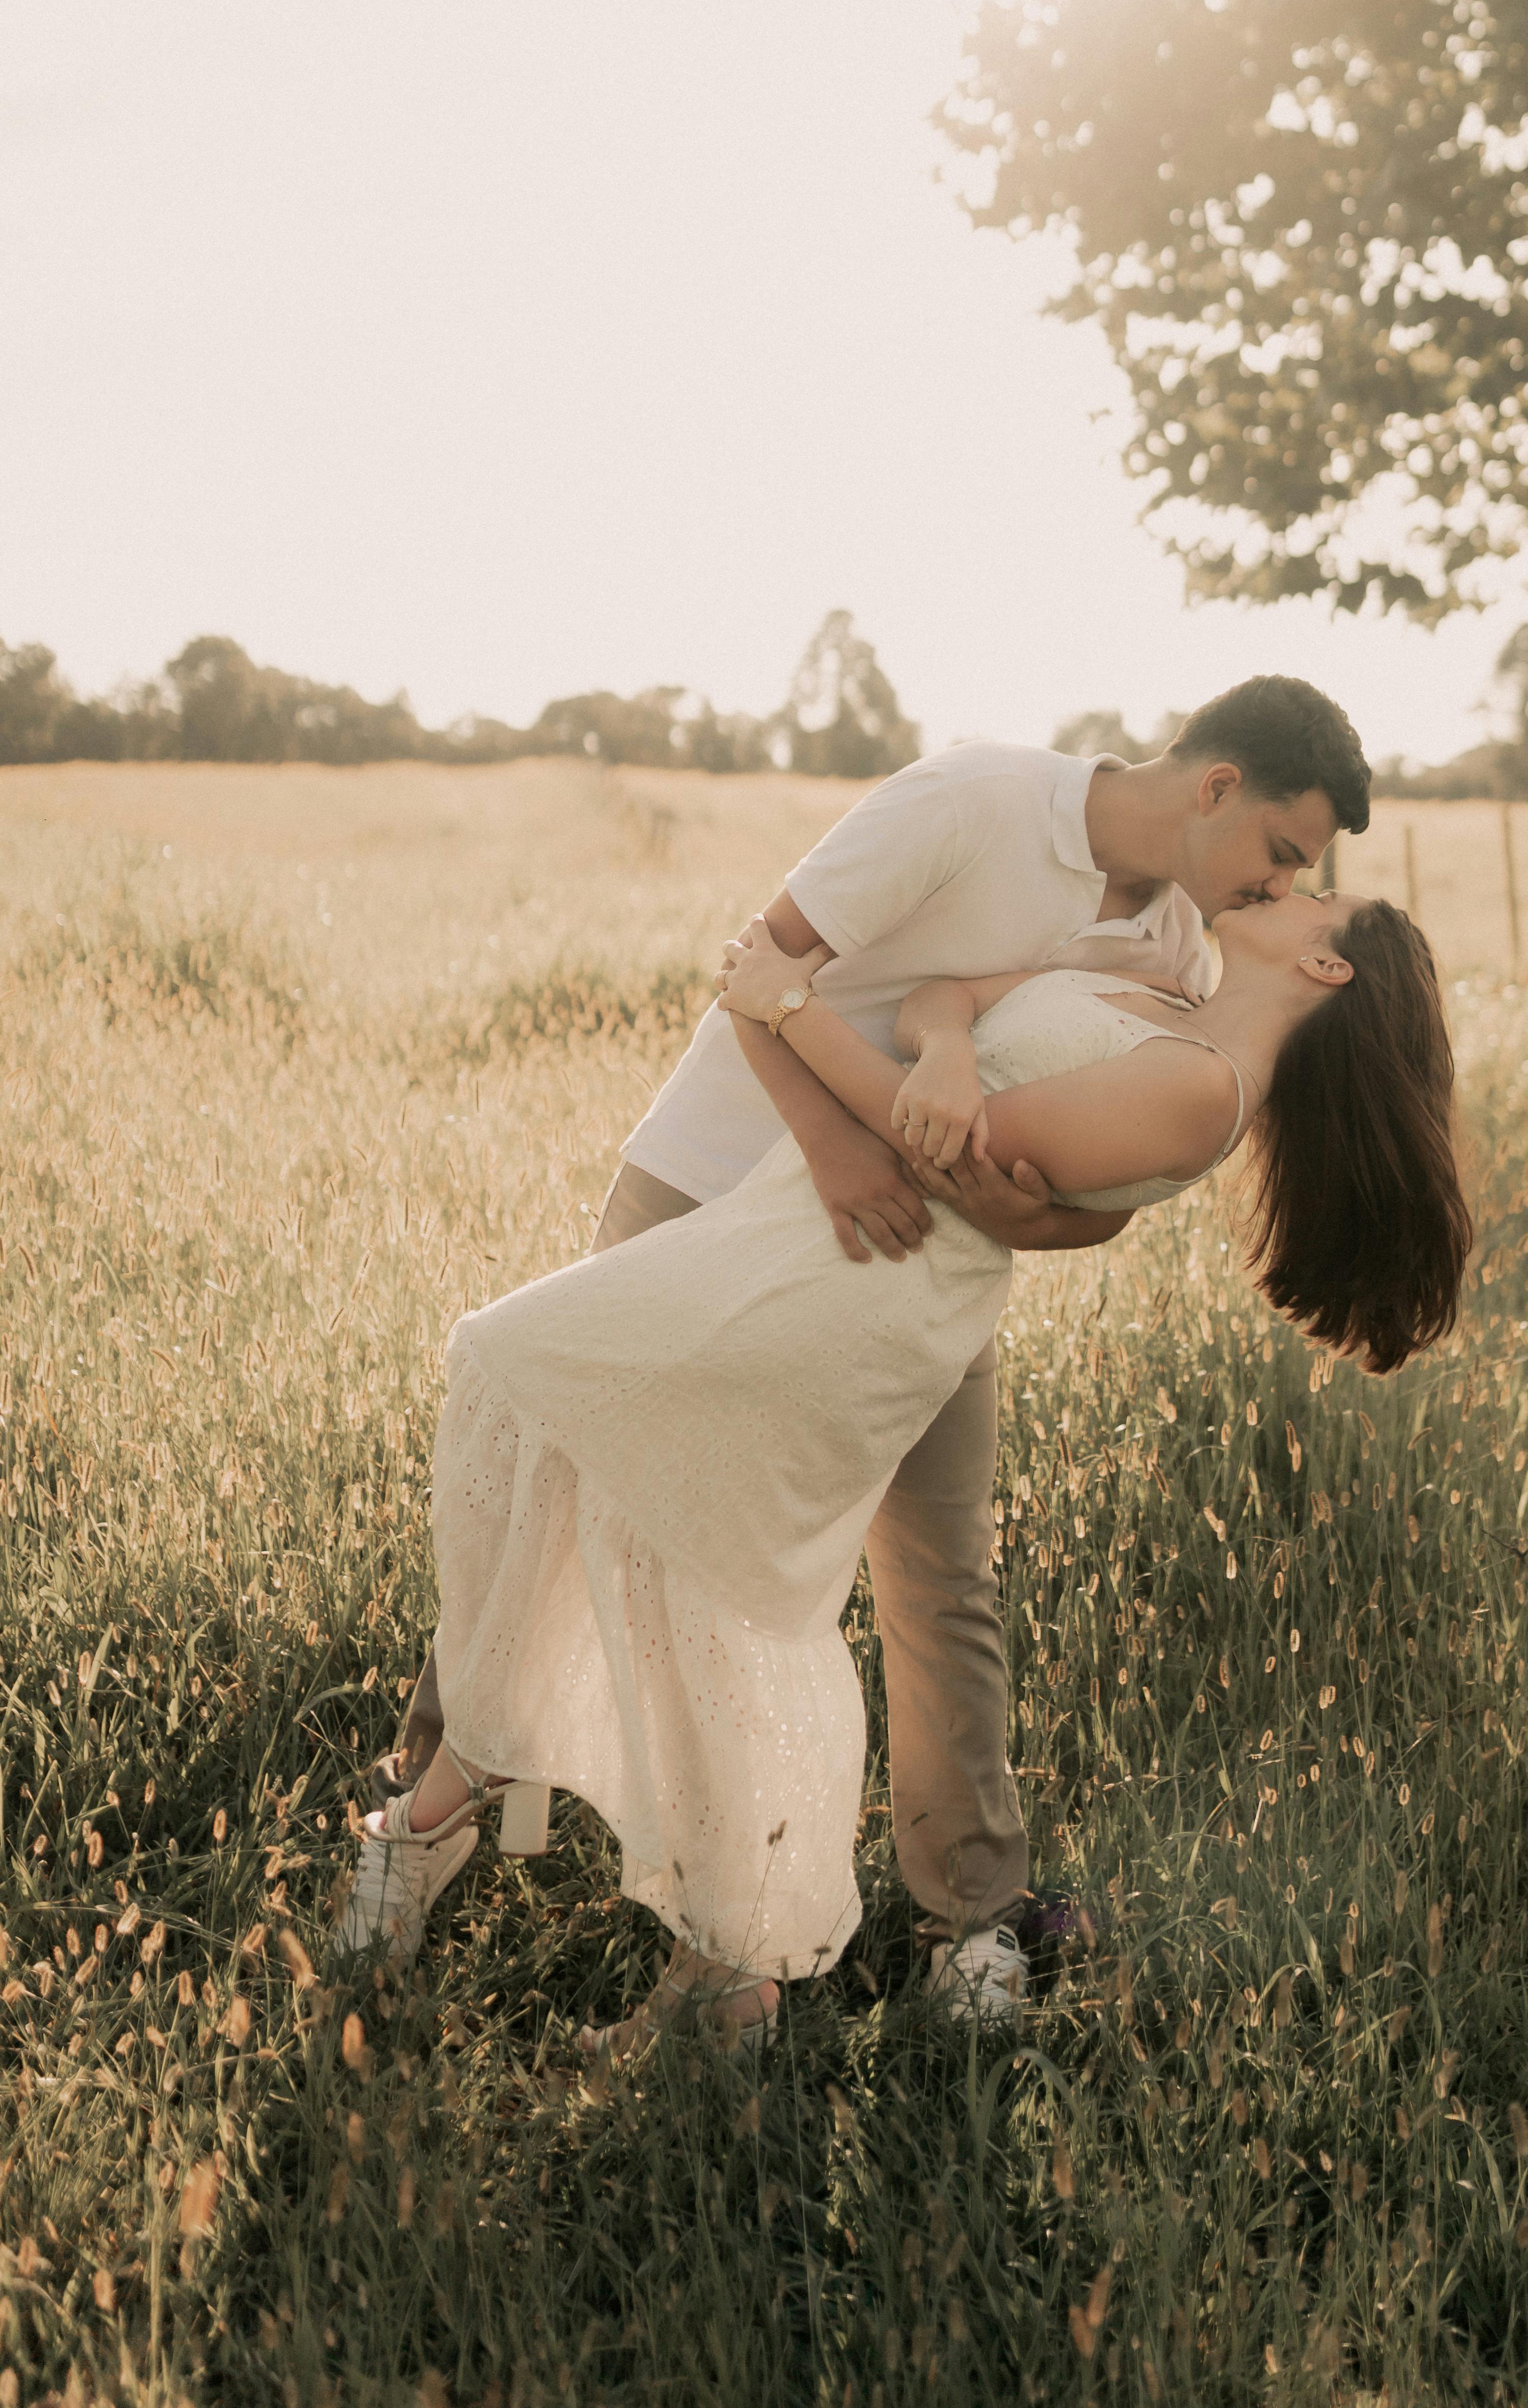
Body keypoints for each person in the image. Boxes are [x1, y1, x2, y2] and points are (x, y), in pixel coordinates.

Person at [343, 679, 1374, 2013]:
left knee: (941, 1575)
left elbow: (1092, 1198)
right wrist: (840, 1152)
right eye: (1284, 851)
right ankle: (433, 1810)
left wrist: (1003, 1206)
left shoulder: (1187, 951)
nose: (1282, 882)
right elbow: (760, 961)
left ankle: (970, 1921)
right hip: (721, 1190)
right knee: (576, 1485)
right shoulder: (978, 801)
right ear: (1216, 786)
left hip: (912, 1272)